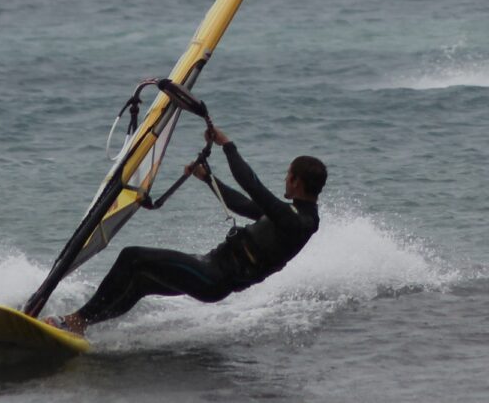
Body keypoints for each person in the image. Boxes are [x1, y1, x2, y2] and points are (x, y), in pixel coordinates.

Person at [45, 126, 327, 335]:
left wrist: (227, 145)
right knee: (140, 282)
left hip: (215, 277)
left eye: (288, 176)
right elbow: (242, 203)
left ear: (297, 181)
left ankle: (76, 320)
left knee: (133, 257)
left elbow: (251, 184)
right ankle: (82, 323)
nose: (285, 180)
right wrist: (208, 178)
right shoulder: (290, 215)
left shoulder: (300, 223)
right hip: (210, 267)